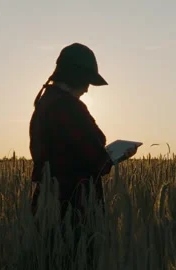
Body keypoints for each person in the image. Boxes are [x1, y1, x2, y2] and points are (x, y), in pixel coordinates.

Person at [28, 43, 137, 263]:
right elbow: (94, 161)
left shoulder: (44, 103)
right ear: (76, 77)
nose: (87, 89)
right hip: (73, 209)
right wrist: (119, 155)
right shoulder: (69, 107)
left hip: (45, 204)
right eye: (86, 82)